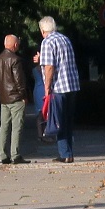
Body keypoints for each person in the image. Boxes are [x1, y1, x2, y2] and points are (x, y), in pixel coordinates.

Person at [38, 16, 81, 163]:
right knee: (68, 120)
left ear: (43, 30)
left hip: (58, 87)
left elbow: (50, 67)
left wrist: (47, 88)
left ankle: (65, 154)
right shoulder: (65, 39)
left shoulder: (47, 42)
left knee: (58, 120)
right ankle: (69, 152)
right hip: (72, 85)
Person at [0, 34, 32, 164]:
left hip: (4, 99)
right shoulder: (15, 60)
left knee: (3, 127)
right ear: (15, 45)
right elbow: (19, 80)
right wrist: (24, 96)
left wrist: (1, 93)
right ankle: (15, 154)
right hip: (16, 98)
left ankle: (2, 155)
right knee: (16, 127)